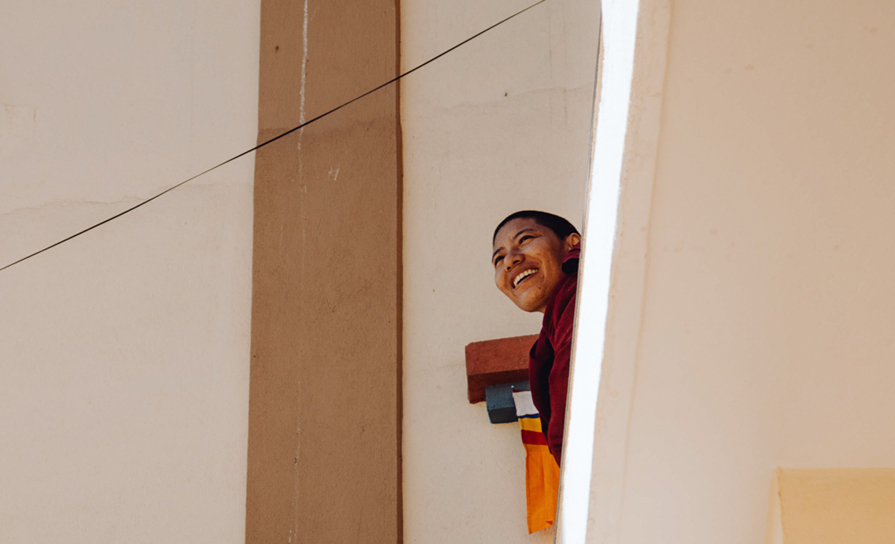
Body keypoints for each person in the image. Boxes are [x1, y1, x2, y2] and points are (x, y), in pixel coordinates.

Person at [492, 211, 581, 466]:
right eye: (499, 259)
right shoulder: (550, 338)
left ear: (573, 243)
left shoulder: (588, 290)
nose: (509, 261)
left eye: (526, 239)